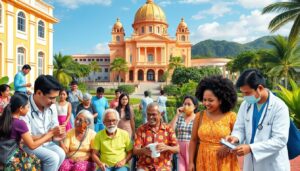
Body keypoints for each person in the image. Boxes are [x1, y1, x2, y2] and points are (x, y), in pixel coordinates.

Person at [226, 69, 290, 171]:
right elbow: (240, 127)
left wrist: (251, 148)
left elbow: (280, 140)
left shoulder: (279, 107)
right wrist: (236, 138)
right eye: (242, 93)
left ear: (260, 88)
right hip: (251, 164)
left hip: (272, 164)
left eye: (247, 92)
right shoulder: (245, 105)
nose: (244, 96)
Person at [188, 75, 239, 171]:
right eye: (204, 100)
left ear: (220, 100)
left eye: (210, 100)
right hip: (203, 161)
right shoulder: (200, 116)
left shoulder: (231, 116)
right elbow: (193, 140)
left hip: (225, 162)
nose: (206, 103)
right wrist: (191, 162)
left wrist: (228, 146)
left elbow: (239, 138)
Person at [0, 94, 59, 170]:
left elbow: (21, 139)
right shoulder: (20, 123)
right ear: (21, 108)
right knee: (36, 165)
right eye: (28, 107)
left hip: (3, 156)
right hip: (11, 159)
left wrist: (45, 135)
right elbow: (32, 145)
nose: (29, 109)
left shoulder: (4, 119)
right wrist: (50, 134)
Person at [20, 75, 66, 170]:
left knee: (61, 153)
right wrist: (50, 135)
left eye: (55, 98)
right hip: (27, 145)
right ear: (39, 93)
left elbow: (54, 128)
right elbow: (25, 140)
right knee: (52, 158)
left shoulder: (52, 107)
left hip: (46, 143)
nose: (54, 102)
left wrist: (58, 134)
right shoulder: (24, 108)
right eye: (51, 98)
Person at [133, 102, 179, 170]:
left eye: (153, 114)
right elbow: (135, 150)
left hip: (163, 166)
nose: (150, 117)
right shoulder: (141, 129)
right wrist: (143, 150)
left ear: (161, 114)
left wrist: (166, 147)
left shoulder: (168, 129)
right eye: (148, 114)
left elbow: (177, 149)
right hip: (144, 166)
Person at [169, 95, 198, 171]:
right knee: (180, 169)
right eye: (184, 104)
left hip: (191, 149)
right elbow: (170, 129)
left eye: (189, 104)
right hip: (179, 149)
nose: (186, 106)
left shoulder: (197, 118)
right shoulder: (180, 117)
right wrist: (177, 115)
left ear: (194, 107)